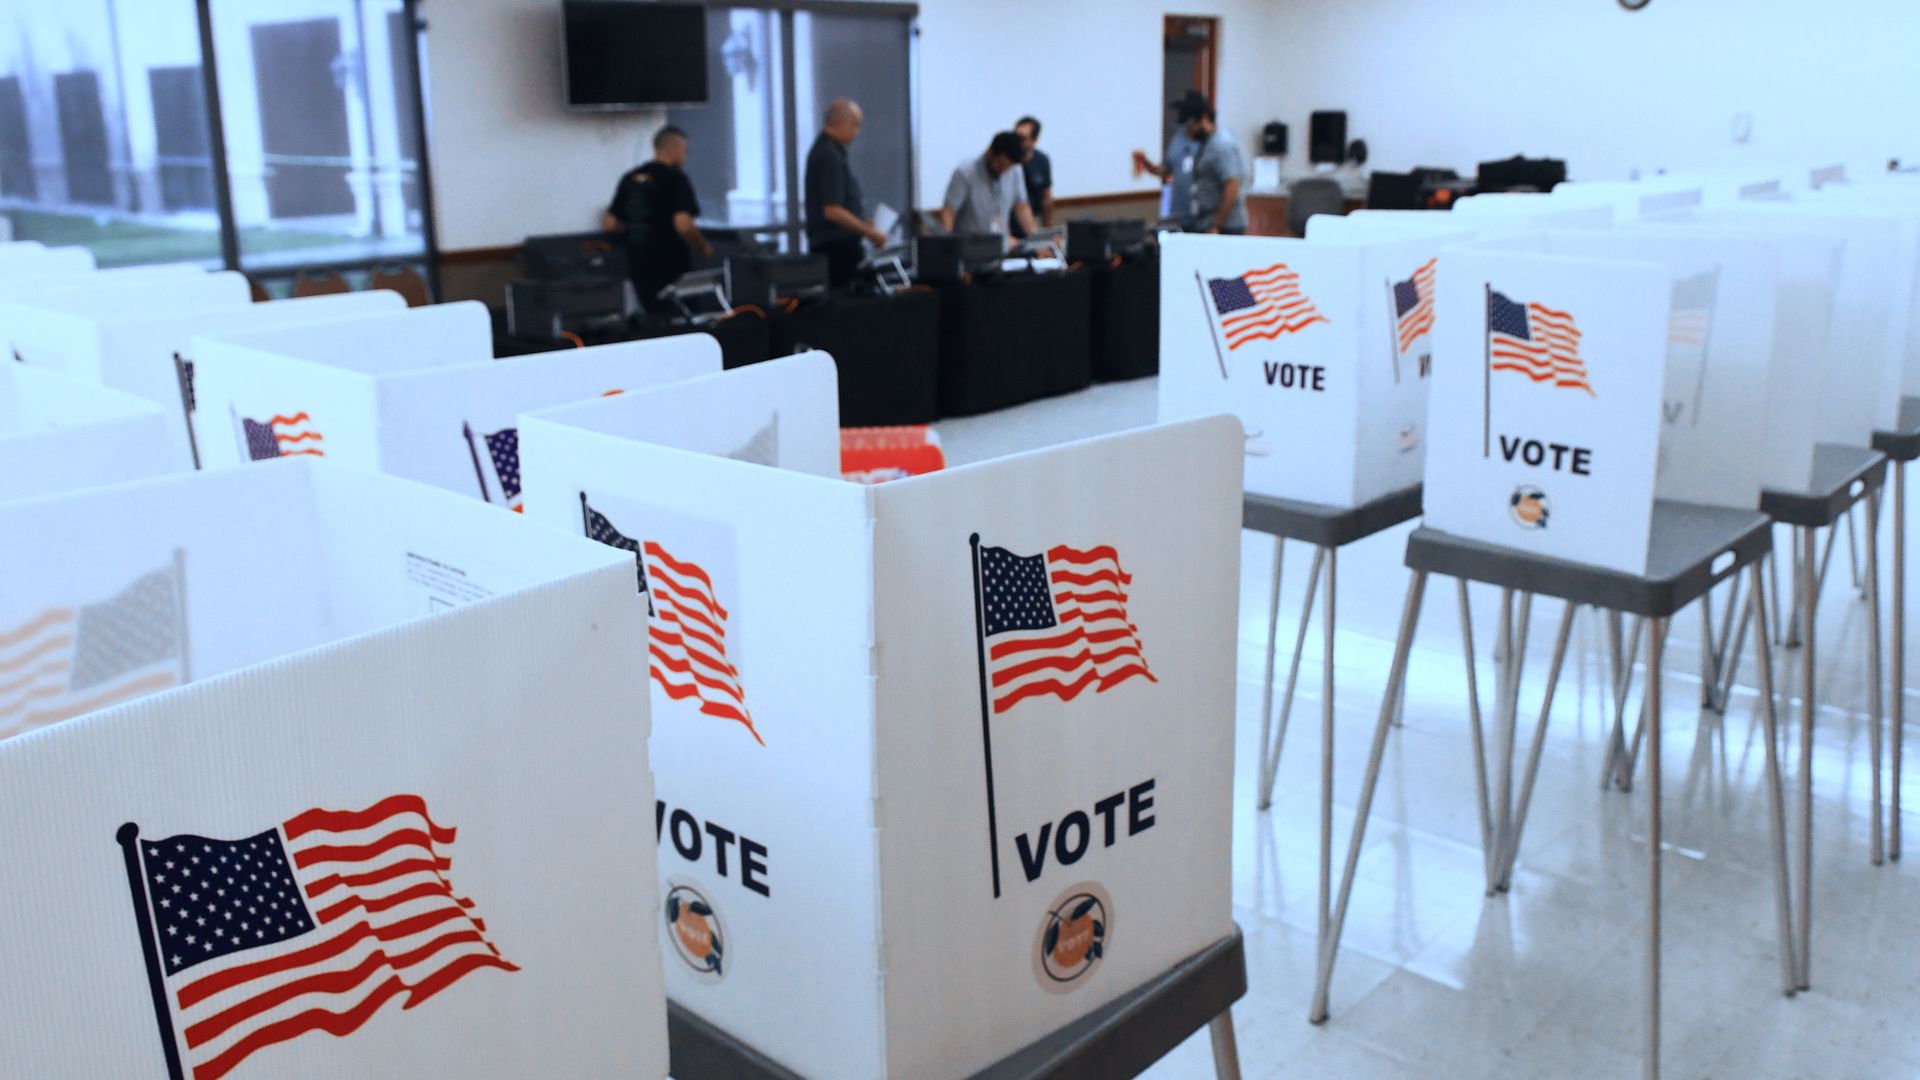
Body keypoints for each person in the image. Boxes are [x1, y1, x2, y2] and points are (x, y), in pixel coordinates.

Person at [603, 125, 713, 314]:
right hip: (670, 266)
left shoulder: (630, 178)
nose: (685, 157)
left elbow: (610, 224)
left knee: (653, 321)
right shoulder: (675, 179)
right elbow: (683, 225)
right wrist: (703, 246)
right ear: (673, 150)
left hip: (638, 266)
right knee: (679, 321)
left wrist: (634, 230)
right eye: (684, 151)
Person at [804, 98, 888, 288]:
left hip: (836, 245)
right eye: (856, 125)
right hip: (836, 249)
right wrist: (870, 232)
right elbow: (832, 211)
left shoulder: (829, 151)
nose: (857, 132)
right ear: (842, 122)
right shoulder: (828, 154)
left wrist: (860, 221)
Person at [937, 131, 1035, 241]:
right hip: (970, 245)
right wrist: (947, 246)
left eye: (1007, 167)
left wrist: (1036, 240)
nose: (1003, 171)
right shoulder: (965, 172)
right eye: (1000, 165)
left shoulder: (1015, 170)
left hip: (1002, 244)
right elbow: (949, 212)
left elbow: (1021, 208)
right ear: (990, 152)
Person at [1131, 90, 1207, 229]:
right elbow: (1168, 170)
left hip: (1203, 217)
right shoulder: (1178, 137)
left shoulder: (1209, 142)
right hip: (1179, 215)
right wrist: (1149, 166)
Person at [1184, 107, 1248, 235]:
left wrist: (1216, 224)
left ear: (1204, 120)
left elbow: (1231, 186)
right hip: (1207, 220)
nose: (1188, 132)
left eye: (1191, 127)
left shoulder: (1221, 145)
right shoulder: (1207, 144)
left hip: (1226, 226)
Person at [1011, 116, 1052, 237]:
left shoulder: (1041, 160)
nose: (1017, 142)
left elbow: (1046, 198)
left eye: (1022, 138)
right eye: (1015, 137)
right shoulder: (1008, 162)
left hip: (1029, 224)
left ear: (1034, 140)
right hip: (1008, 227)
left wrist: (1047, 229)